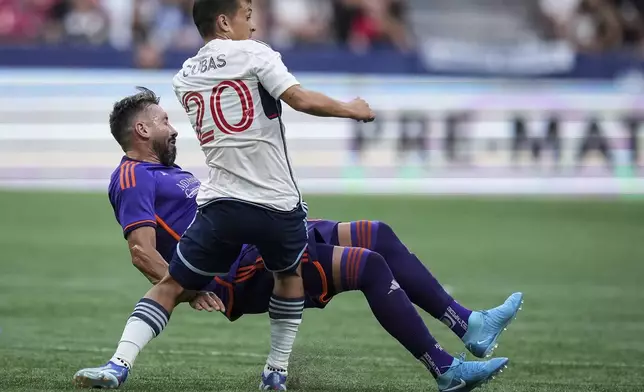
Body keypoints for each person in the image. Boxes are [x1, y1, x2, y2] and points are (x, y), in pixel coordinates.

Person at [73, 88, 522, 391]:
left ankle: (469, 325)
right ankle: (444, 368)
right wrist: (194, 288)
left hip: (255, 238)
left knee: (377, 235)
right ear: (143, 131)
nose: (174, 127)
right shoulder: (132, 176)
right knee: (367, 265)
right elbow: (142, 251)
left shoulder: (169, 172)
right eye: (165, 120)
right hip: (240, 270)